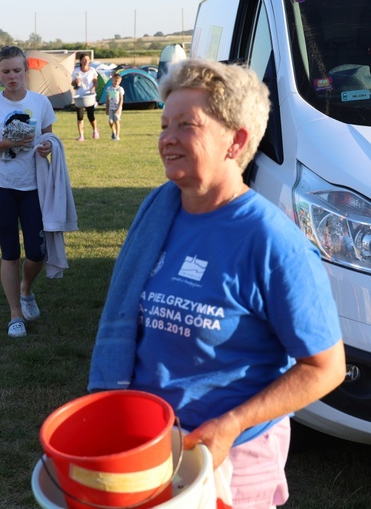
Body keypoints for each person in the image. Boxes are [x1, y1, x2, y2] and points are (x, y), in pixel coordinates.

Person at [88, 58, 346, 508]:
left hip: (232, 457)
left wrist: (232, 424)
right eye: (164, 124)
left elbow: (325, 368)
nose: (166, 138)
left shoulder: (271, 241)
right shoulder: (160, 213)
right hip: (149, 444)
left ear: (237, 140)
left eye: (186, 125)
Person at [0, 45, 56, 338]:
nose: (11, 76)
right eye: (5, 71)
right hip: (1, 187)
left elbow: (49, 139)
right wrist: (8, 142)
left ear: (25, 71)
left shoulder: (41, 102)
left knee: (36, 252)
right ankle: (15, 315)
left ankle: (26, 289)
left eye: (16, 70)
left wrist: (46, 145)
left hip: (34, 187)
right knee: (10, 253)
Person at [71, 52, 99, 141]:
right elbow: (72, 83)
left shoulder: (92, 70)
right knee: (80, 116)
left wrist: (93, 88)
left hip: (89, 96)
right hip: (79, 96)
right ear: (81, 61)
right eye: (84, 59)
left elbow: (95, 82)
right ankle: (81, 135)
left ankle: (95, 130)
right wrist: (76, 81)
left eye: (87, 59)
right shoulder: (76, 71)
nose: (86, 61)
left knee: (91, 116)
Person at [104, 72, 124, 141]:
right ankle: (113, 131)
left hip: (117, 107)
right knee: (110, 121)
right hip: (111, 108)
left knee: (117, 121)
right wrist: (106, 108)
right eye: (115, 80)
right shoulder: (109, 89)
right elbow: (107, 99)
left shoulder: (120, 89)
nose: (116, 82)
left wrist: (119, 108)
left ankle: (117, 136)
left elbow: (121, 99)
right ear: (112, 80)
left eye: (118, 81)